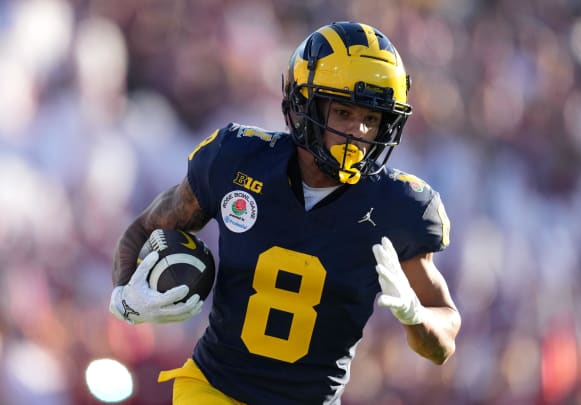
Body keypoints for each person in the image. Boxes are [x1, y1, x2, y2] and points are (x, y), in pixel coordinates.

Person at [109, 21, 461, 404]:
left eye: (371, 119)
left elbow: (442, 342)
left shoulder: (399, 207)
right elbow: (145, 228)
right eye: (343, 112)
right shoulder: (238, 160)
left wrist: (415, 316)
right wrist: (124, 294)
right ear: (302, 105)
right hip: (214, 391)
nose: (357, 132)